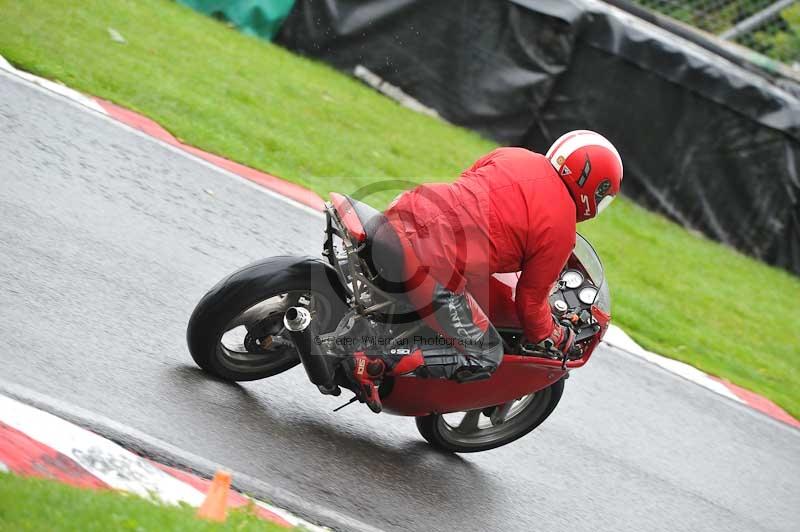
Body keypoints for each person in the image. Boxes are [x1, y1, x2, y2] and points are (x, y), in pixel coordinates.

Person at [350, 130, 623, 412]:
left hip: (404, 211)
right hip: (433, 265)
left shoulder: (514, 155)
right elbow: (530, 302)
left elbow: (468, 187)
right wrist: (554, 334)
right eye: (604, 195)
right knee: (485, 353)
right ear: (593, 186)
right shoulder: (561, 230)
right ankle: (375, 362)